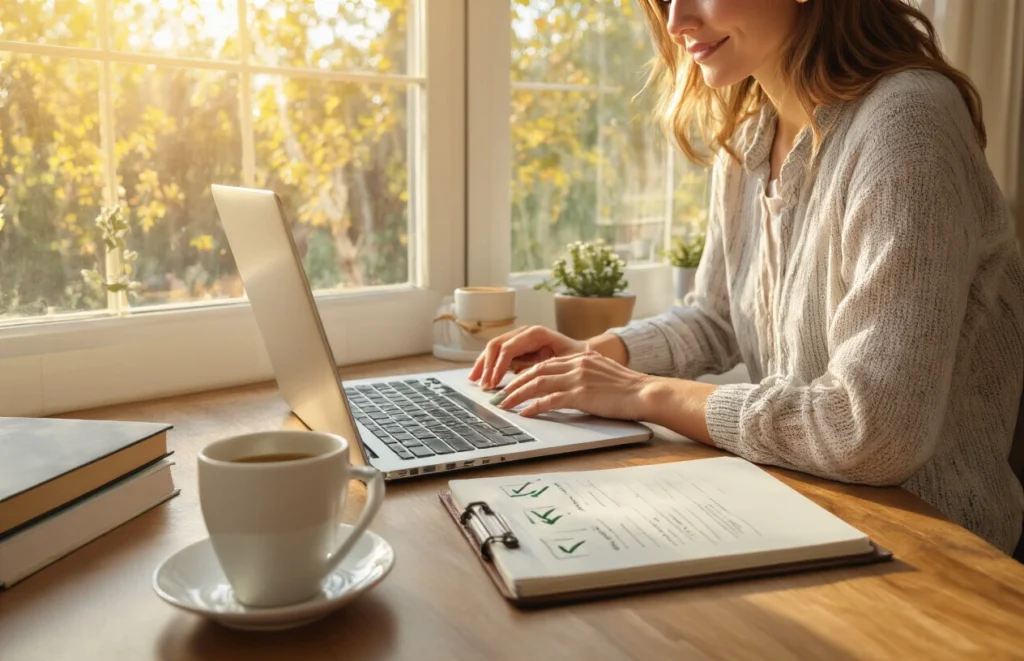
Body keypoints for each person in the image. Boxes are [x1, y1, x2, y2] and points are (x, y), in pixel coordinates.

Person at [470, 0, 1024, 561]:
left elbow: (873, 430)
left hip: (934, 555)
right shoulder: (749, 140)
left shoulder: (907, 124)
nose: (676, 21)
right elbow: (717, 317)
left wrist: (642, 392)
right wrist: (595, 357)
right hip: (797, 511)